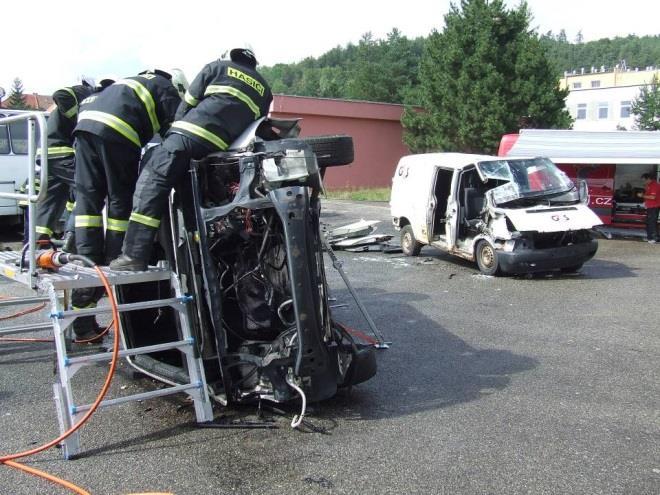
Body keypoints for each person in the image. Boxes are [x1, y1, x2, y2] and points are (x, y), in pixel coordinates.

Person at [110, 48, 273, 271]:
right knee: (192, 198)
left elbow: (187, 103)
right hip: (218, 148)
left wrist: (172, 134)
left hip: (188, 135)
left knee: (151, 185)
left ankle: (133, 256)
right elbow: (259, 121)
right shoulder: (265, 88)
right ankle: (199, 253)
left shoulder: (217, 67)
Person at [70, 69, 183, 340]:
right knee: (121, 198)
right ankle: (114, 256)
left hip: (84, 126)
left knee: (88, 198)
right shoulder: (164, 85)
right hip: (119, 130)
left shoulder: (131, 82)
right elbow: (176, 130)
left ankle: (88, 256)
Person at [33, 76, 115, 250]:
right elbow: (60, 95)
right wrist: (79, 119)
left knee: (52, 201)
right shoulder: (83, 91)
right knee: (91, 188)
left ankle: (37, 244)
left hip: (48, 154)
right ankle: (71, 239)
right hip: (62, 152)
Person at [638, 173, 660, 244]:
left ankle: (655, 238)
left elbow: (653, 197)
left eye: (644, 180)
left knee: (652, 223)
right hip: (650, 206)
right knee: (648, 223)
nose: (643, 182)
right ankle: (649, 238)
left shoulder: (655, 185)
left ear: (648, 179)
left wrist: (642, 196)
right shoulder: (649, 185)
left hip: (654, 207)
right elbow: (648, 196)